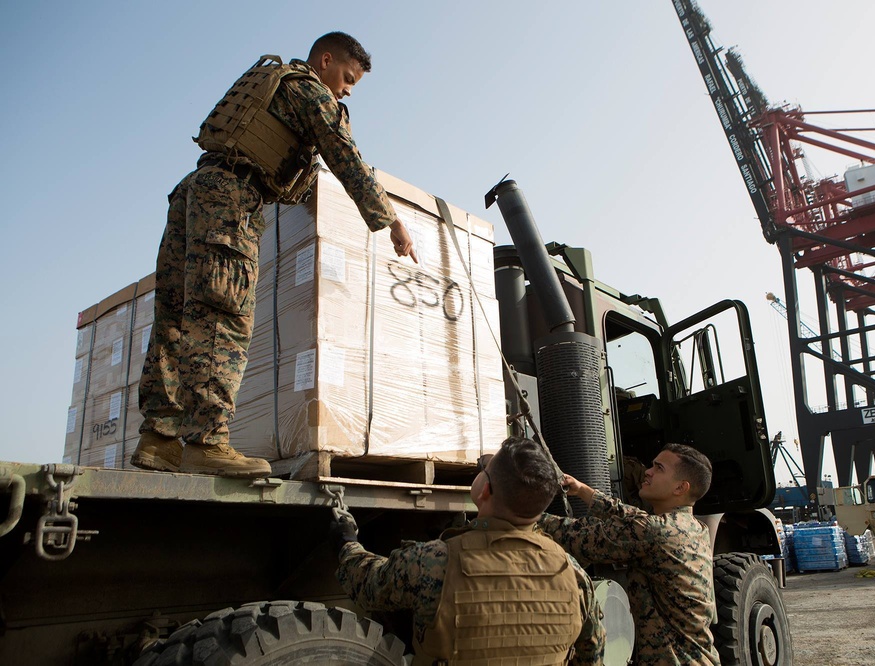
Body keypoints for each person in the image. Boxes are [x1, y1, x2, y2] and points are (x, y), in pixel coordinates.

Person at [131, 32, 417, 478]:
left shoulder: (273, 81)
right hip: (231, 200)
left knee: (176, 317)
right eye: (346, 79)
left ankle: (160, 438)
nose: (345, 90)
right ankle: (206, 441)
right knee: (222, 316)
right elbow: (346, 157)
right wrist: (391, 221)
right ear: (326, 61)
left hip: (194, 191)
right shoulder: (309, 91)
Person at [331, 436, 606, 664]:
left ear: (485, 489)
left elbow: (369, 585)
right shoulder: (573, 574)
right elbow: (591, 654)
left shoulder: (435, 562)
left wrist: (348, 543)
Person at [539, 442, 720, 666]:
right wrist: (585, 492)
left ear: (680, 488)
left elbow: (576, 536)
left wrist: (522, 514)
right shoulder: (693, 527)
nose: (647, 471)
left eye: (659, 468)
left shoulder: (655, 532)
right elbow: (634, 516)